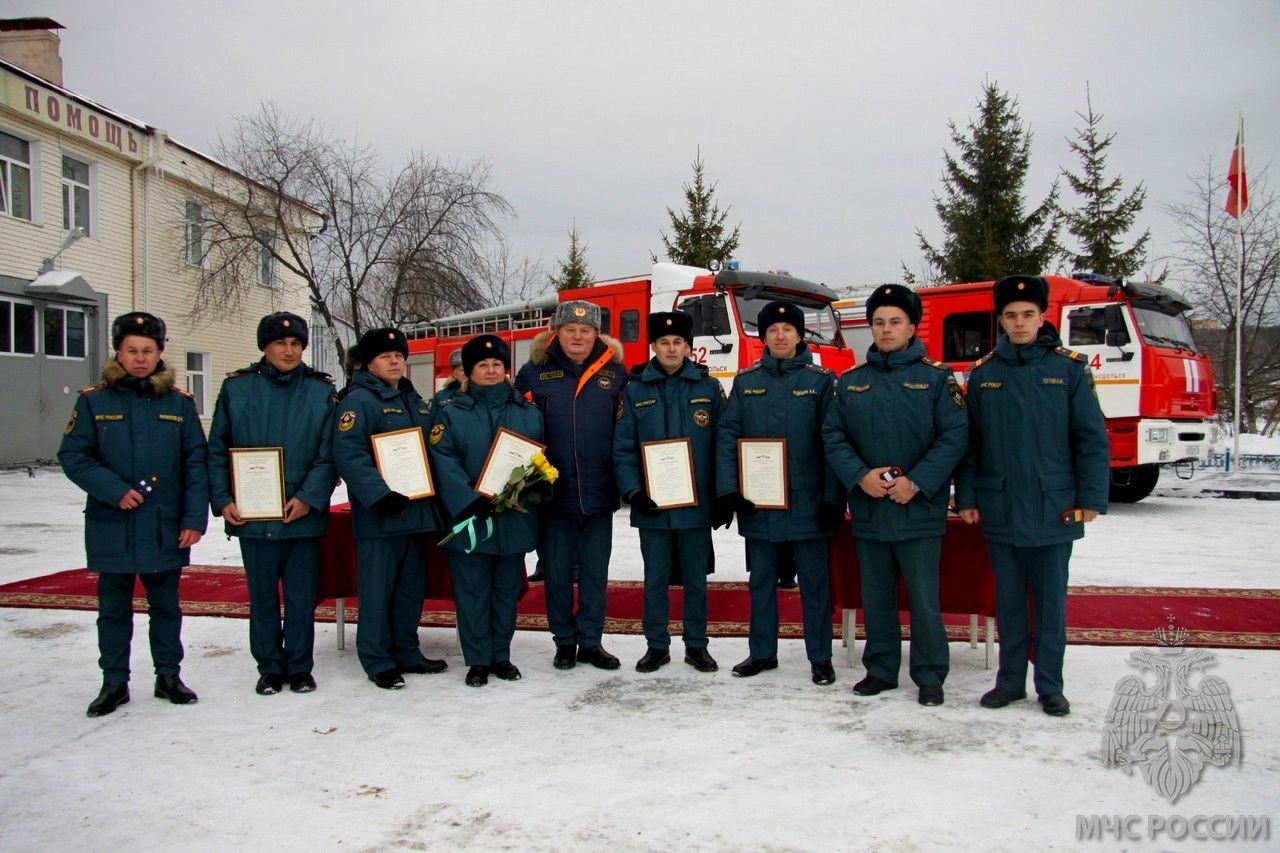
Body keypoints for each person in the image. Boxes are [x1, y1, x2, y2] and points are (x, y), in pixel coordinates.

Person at [955, 274, 1109, 717]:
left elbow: (1091, 439)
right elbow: (973, 443)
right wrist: (967, 496)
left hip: (1055, 506)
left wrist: (1092, 499)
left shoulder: (1069, 369)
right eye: (1010, 315)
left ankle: (1050, 685)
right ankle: (1009, 682)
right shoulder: (985, 374)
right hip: (1000, 506)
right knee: (1008, 602)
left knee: (1049, 604)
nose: (1019, 323)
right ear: (1000, 320)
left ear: (1043, 317)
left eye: (1027, 315)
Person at [822, 285, 968, 706]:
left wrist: (917, 481)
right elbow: (833, 435)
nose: (885, 330)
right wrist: (858, 476)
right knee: (877, 596)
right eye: (879, 322)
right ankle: (882, 668)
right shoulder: (852, 383)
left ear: (911, 326)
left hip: (918, 507)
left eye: (894, 322)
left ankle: (929, 674)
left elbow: (955, 436)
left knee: (924, 598)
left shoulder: (937, 378)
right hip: (870, 507)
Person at [58, 312, 208, 717]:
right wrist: (113, 490)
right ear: (119, 353)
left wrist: (194, 520)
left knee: (166, 606)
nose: (140, 358)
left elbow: (197, 463)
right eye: (132, 350)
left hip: (164, 524)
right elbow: (73, 455)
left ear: (159, 353)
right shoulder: (94, 401)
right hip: (114, 523)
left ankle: (168, 675)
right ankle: (114, 681)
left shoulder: (179, 404)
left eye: (148, 350)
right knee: (113, 608)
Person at [206, 312, 337, 696]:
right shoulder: (237, 389)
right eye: (281, 343)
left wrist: (310, 498)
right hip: (253, 514)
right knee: (262, 595)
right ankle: (268, 666)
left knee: (300, 596)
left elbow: (329, 454)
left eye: (296, 344)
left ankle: (299, 666)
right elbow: (217, 448)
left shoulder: (320, 392)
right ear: (265, 346)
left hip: (301, 514)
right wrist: (223, 498)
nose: (289, 350)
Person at [714, 300, 843, 686]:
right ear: (764, 336)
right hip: (760, 502)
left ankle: (820, 657)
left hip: (808, 501)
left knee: (815, 585)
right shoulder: (746, 381)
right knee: (761, 581)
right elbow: (727, 438)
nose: (781, 336)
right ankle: (762, 652)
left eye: (788, 330)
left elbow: (833, 442)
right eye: (773, 330)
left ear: (800, 335)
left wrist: (833, 498)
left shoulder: (821, 381)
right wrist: (729, 491)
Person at [515, 300, 627, 670]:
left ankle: (591, 642)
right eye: (570, 330)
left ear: (597, 334)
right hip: (553, 494)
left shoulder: (615, 374)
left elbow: (628, 432)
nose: (578, 336)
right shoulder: (533, 374)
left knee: (595, 573)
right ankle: (564, 641)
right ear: (556, 332)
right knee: (558, 574)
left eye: (585, 330)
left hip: (599, 491)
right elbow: (516, 432)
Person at [332, 327, 447, 689]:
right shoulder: (359, 401)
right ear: (368, 363)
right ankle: (378, 659)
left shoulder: (413, 400)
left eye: (399, 355)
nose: (395, 360)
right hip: (381, 515)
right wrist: (380, 495)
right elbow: (348, 454)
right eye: (386, 356)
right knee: (378, 591)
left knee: (410, 589)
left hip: (415, 513)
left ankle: (406, 650)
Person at [429, 335, 544, 686]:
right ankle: (477, 660)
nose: (491, 371)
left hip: (513, 517)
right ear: (469, 372)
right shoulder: (450, 413)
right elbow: (441, 459)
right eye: (483, 365)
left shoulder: (529, 413)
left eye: (497, 365)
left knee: (506, 591)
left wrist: (535, 484)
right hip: (470, 518)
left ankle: (501, 656)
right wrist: (468, 500)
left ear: (506, 369)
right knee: (473, 591)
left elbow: (538, 459)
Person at [613, 311, 724, 673]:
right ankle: (656, 645)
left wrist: (723, 495)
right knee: (655, 580)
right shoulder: (634, 391)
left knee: (696, 579)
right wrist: (632, 491)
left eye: (678, 342)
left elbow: (723, 445)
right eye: (664, 342)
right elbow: (623, 447)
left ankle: (697, 645)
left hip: (696, 506)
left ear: (690, 348)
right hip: (653, 506)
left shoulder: (708, 389)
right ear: (653, 346)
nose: (671, 348)